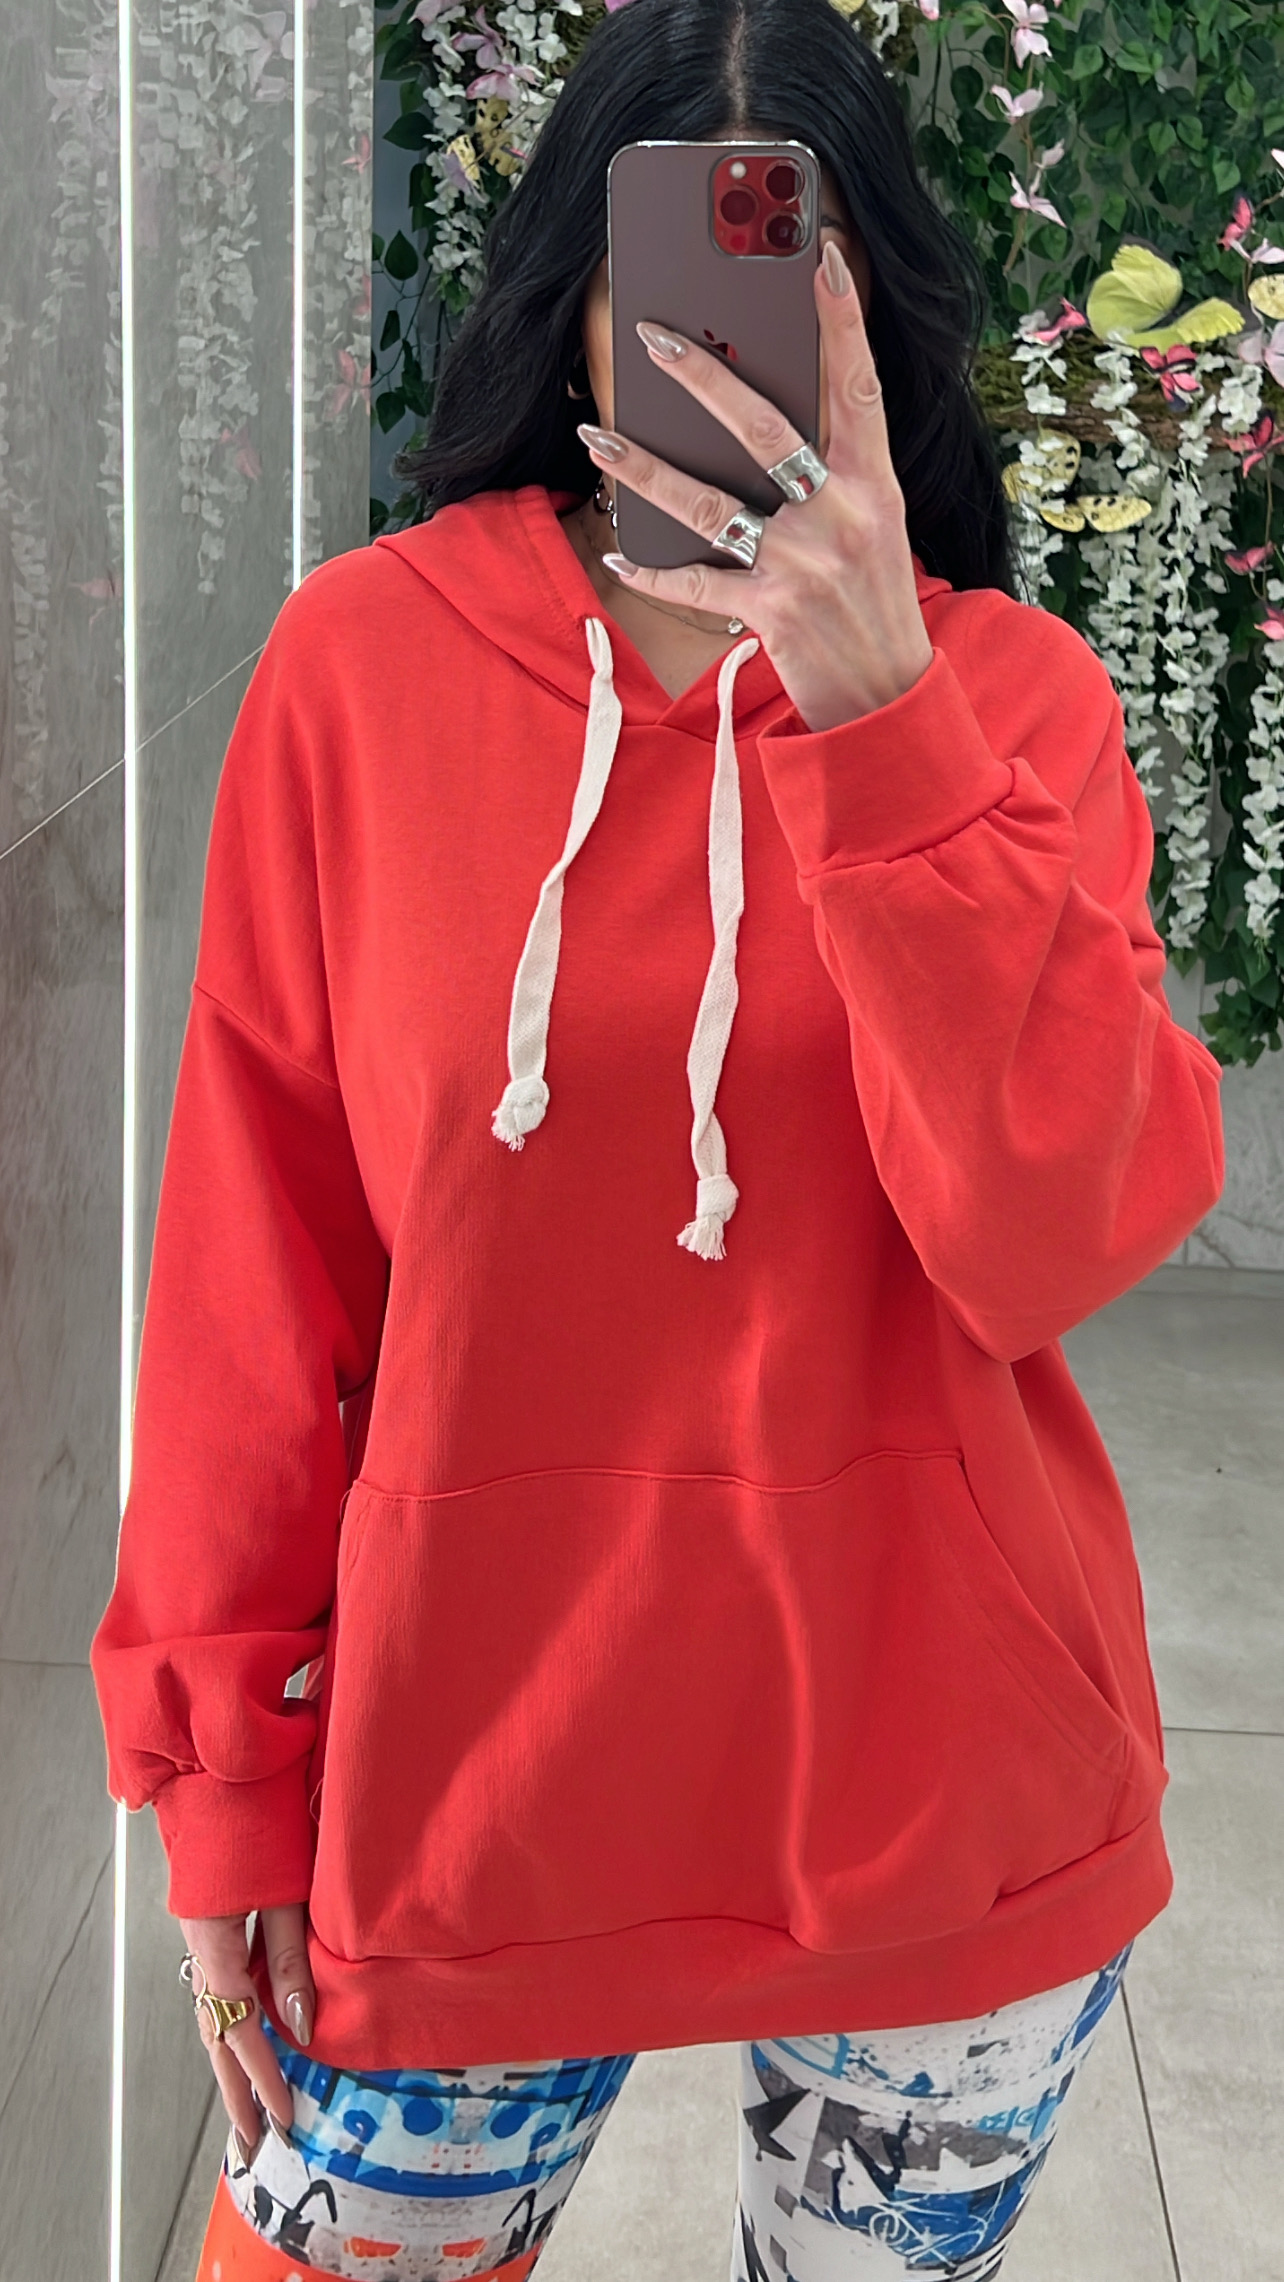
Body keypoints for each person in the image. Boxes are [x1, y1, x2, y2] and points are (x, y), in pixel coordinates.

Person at [90, 0, 1224, 2274]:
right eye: (674, 293)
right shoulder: (363, 671)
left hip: (951, 1789)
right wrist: (226, 1780)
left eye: (791, 299)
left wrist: (883, 718)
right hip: (476, 1783)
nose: (729, 364)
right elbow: (252, 1268)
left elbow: (1049, 1237)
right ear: (576, 305)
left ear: (878, 325)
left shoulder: (1014, 704)